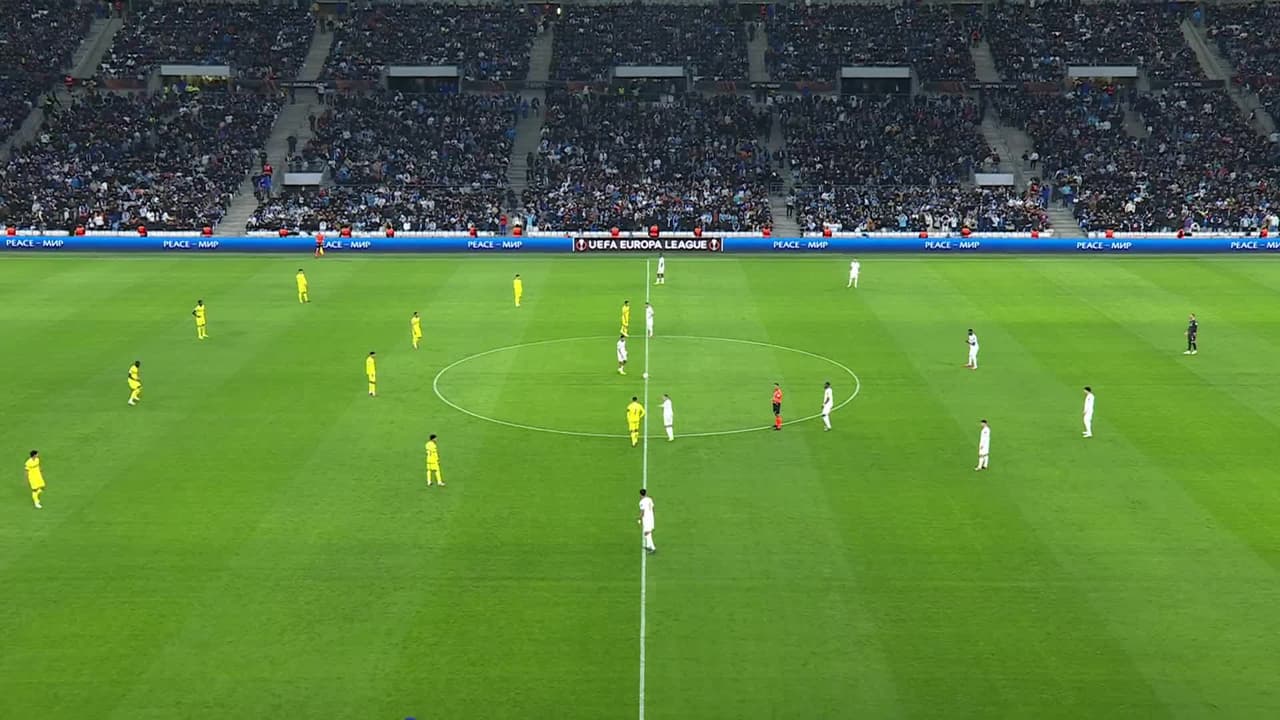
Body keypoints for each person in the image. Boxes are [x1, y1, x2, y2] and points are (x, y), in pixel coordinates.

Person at [638, 488, 656, 554]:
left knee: (646, 533)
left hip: (646, 519)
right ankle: (649, 546)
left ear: (640, 494)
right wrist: (653, 516)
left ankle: (653, 548)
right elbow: (653, 508)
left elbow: (642, 512)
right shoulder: (650, 499)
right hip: (651, 518)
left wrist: (639, 518)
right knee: (648, 533)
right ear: (646, 493)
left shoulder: (641, 502)